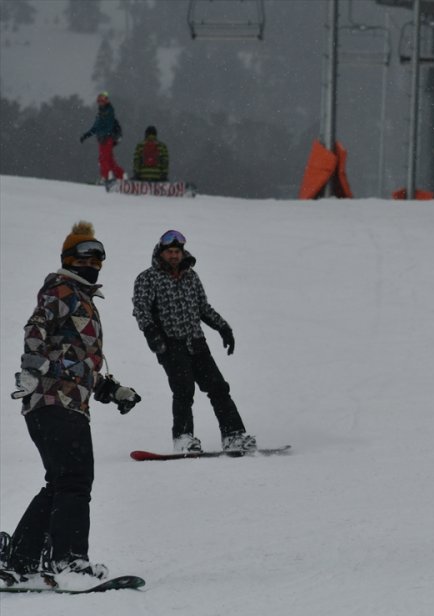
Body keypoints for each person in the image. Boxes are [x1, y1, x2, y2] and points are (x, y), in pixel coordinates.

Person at [0, 222, 141, 587]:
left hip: (64, 402)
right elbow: (36, 329)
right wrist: (31, 368)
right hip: (52, 398)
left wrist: (113, 391)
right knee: (75, 479)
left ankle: (22, 561)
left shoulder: (84, 300)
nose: (94, 263)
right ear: (69, 259)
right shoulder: (62, 290)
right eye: (86, 256)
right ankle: (69, 563)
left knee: (61, 481)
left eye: (99, 258)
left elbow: (78, 363)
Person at [132, 230, 256, 454]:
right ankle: (183, 438)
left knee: (218, 387)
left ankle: (233, 434)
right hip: (170, 344)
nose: (173, 256)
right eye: (169, 252)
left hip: (196, 342)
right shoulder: (147, 278)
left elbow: (203, 308)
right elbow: (141, 309)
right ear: (161, 253)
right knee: (184, 390)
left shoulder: (191, 276)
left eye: (177, 252)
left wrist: (223, 327)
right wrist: (151, 332)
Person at [79, 91, 125, 183]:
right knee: (109, 160)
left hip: (107, 139)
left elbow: (109, 125)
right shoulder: (100, 114)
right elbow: (95, 128)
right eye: (99, 101)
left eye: (103, 100)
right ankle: (121, 176)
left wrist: (106, 135)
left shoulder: (109, 111)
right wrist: (86, 135)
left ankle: (105, 177)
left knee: (103, 159)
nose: (101, 102)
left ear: (106, 101)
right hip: (102, 140)